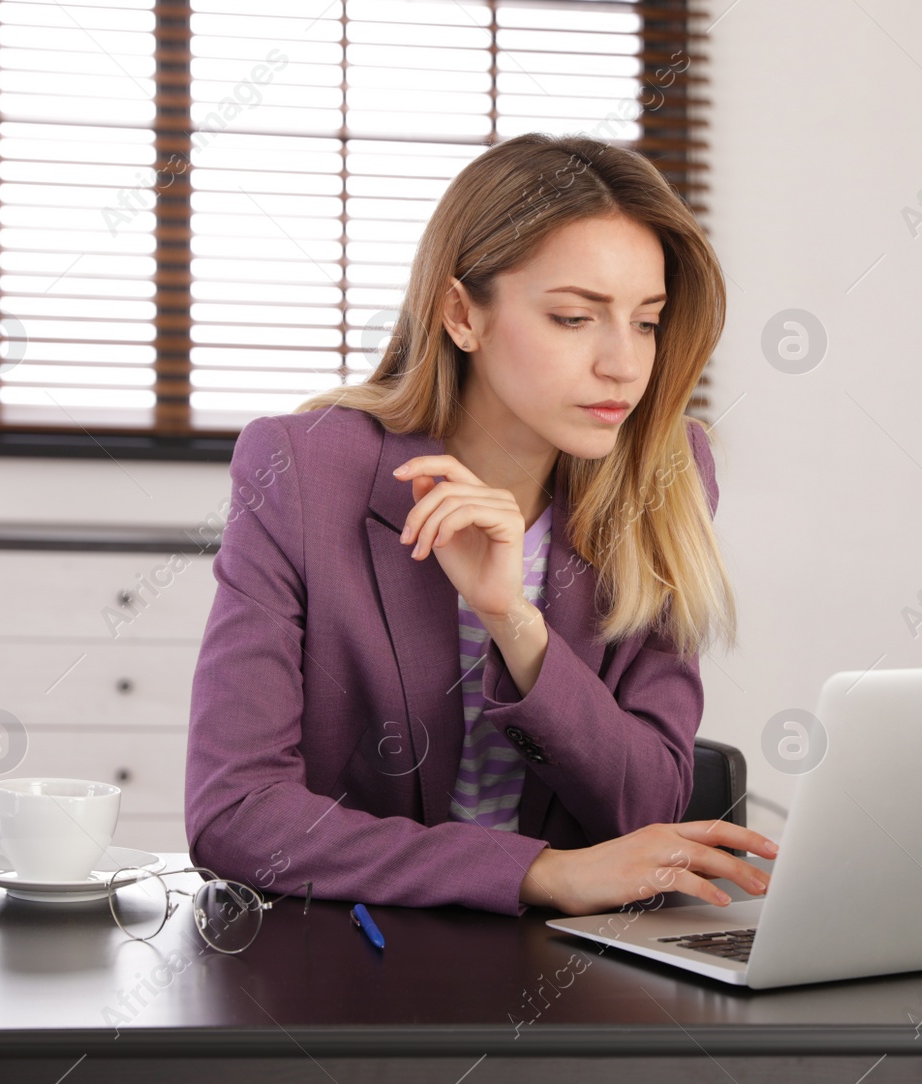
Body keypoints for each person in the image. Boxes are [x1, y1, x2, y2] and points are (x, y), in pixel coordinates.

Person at [185, 132, 778, 918]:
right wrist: (537, 873)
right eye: (574, 318)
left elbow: (646, 808)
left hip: (576, 977)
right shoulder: (303, 469)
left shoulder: (665, 474)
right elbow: (236, 814)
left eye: (646, 322)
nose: (624, 365)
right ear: (462, 314)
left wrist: (515, 625)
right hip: (353, 964)